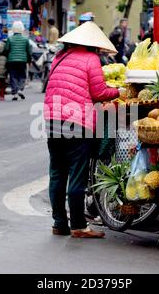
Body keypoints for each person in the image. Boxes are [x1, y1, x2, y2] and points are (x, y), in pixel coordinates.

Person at [44, 21, 121, 238]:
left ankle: (59, 223)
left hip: (52, 120)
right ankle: (78, 225)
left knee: (57, 174)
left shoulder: (59, 58)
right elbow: (99, 93)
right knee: (77, 175)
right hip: (77, 123)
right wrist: (119, 91)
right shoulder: (91, 59)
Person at [5, 21, 31, 101]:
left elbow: (7, 50)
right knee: (22, 76)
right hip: (22, 61)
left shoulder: (10, 39)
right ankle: (20, 89)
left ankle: (15, 94)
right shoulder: (25, 39)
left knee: (13, 77)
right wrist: (29, 61)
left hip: (11, 61)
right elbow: (28, 51)